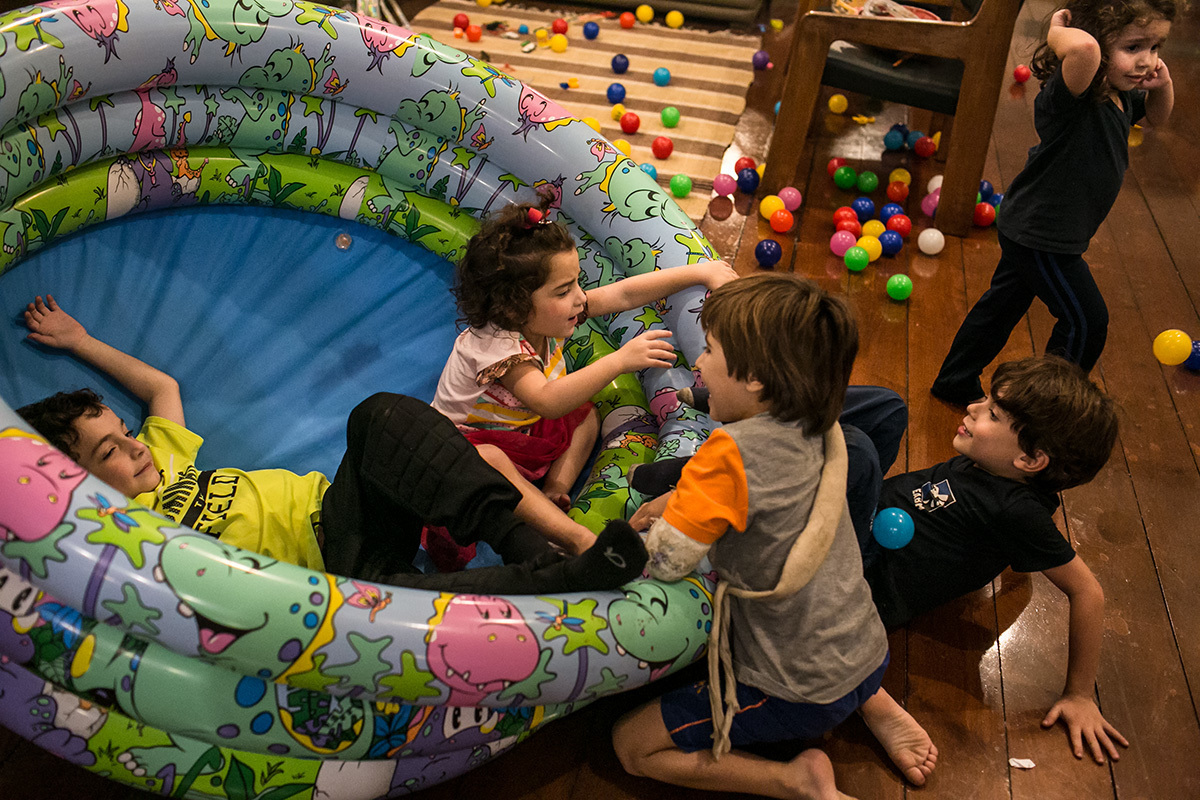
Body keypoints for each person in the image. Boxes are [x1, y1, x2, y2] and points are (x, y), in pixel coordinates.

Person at [16, 294, 647, 595]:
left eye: (122, 436)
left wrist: (79, 341)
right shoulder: (121, 527)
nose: (135, 452)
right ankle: (564, 578)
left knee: (382, 418)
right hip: (314, 590)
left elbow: (162, 388)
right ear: (76, 485)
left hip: (347, 517)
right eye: (108, 455)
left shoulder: (166, 460)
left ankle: (570, 547)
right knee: (402, 598)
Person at [611, 274, 936, 799]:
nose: (698, 364)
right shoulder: (821, 423)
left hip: (795, 687)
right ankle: (867, 700)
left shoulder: (723, 457)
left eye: (709, 350)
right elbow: (768, 496)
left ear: (757, 379)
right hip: (867, 650)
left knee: (632, 746)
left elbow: (667, 563)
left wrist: (628, 538)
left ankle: (794, 781)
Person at [431, 198, 738, 561]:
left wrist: (701, 272)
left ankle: (554, 489)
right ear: (514, 306)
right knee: (491, 458)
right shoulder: (495, 347)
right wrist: (620, 360)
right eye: (563, 291)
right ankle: (573, 537)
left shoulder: (548, 316)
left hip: (523, 437)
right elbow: (547, 400)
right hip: (465, 452)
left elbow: (624, 292)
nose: (580, 298)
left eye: (576, 283)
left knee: (585, 416)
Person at [870, 356, 1126, 764]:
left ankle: (866, 697)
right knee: (883, 407)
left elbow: (1087, 591)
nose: (972, 407)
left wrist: (1079, 694)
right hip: (861, 518)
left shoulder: (1016, 510)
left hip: (869, 576)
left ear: (1029, 459)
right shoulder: (992, 466)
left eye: (991, 412)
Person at [931, 0, 1176, 405]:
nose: (1147, 62)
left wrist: (1162, 84)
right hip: (1042, 235)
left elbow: (1156, 119)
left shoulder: (1116, 93)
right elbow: (1083, 51)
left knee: (1001, 308)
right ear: (1093, 40)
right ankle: (1049, 408)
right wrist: (1058, 29)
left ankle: (954, 380)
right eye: (1134, 47)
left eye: (1155, 48)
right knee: (1086, 322)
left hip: (1041, 227)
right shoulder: (1071, 94)